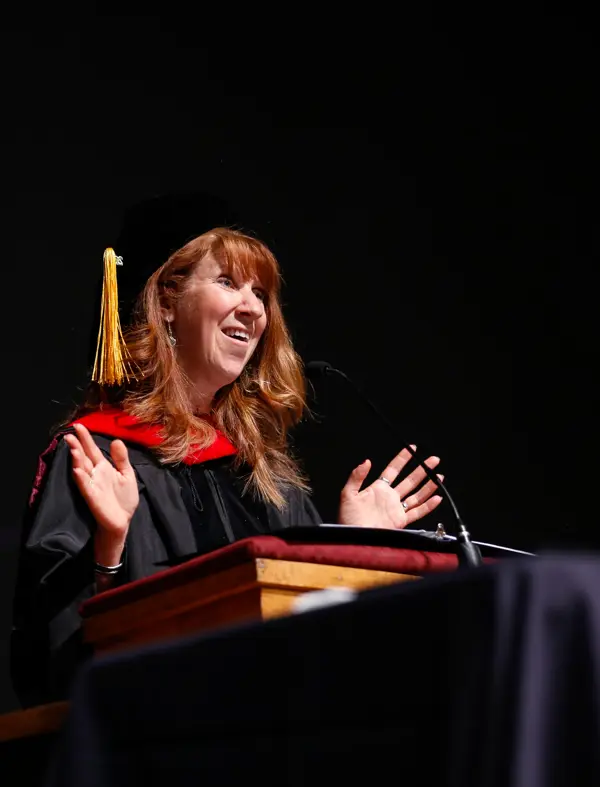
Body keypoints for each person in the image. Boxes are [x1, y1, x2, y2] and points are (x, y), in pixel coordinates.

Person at [11, 218, 443, 707]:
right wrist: (109, 552)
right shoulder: (97, 457)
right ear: (168, 303)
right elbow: (48, 666)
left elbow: (318, 649)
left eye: (260, 292)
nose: (252, 307)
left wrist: (353, 549)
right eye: (227, 282)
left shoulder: (267, 477)